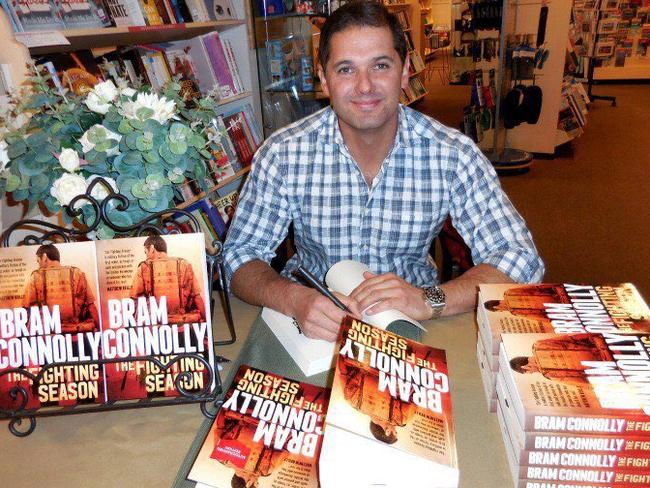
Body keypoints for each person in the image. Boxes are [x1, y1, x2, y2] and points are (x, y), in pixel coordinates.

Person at [223, 1, 544, 342]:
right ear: (324, 80)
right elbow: (239, 256)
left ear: (405, 71)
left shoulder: (453, 154)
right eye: (346, 69)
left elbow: (521, 259)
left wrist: (429, 299)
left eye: (380, 65)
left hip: (416, 321)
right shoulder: (283, 153)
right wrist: (293, 298)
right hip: (311, 325)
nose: (364, 86)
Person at [130, 235, 206, 324]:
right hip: (182, 323)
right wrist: (206, 321)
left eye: (146, 252)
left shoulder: (144, 268)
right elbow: (197, 298)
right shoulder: (184, 264)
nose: (146, 256)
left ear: (151, 248)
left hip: (157, 325)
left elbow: (133, 300)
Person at [24, 243, 99, 333]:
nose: (39, 265)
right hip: (76, 333)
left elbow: (27, 310)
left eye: (38, 261)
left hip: (49, 335)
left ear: (44, 257)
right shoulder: (77, 273)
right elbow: (91, 307)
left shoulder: (36, 276)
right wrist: (100, 329)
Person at [509, 333, 612, 386]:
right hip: (604, 345)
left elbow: (583, 381)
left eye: (529, 372)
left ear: (525, 367)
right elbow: (571, 338)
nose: (532, 373)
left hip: (610, 366)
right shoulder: (539, 345)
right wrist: (597, 336)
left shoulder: (549, 374)